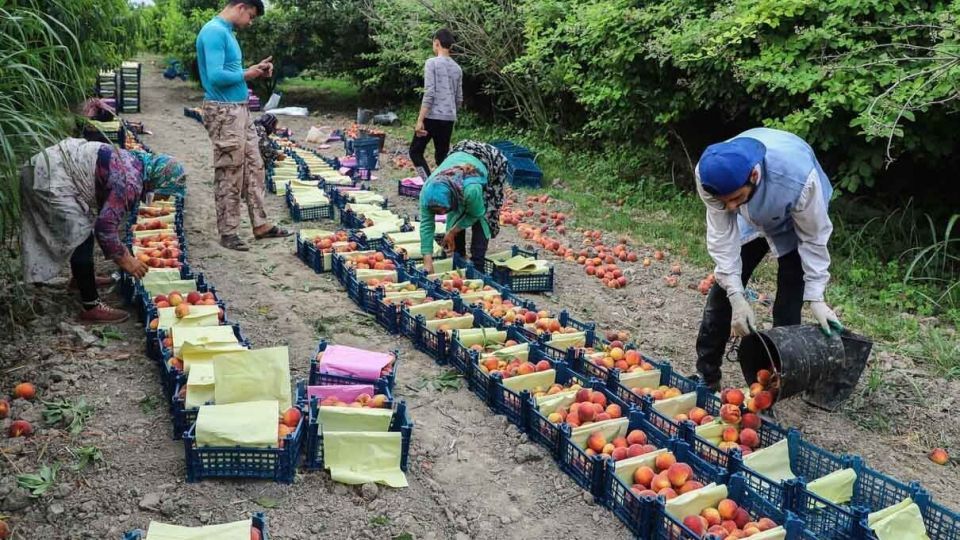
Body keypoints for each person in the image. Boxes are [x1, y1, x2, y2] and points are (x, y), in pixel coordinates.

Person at [693, 127, 843, 390]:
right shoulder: (709, 179)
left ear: (753, 175)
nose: (729, 207)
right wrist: (736, 295)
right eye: (723, 201)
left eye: (735, 198)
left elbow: (813, 238)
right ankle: (707, 375)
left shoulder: (799, 181)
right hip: (751, 216)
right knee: (722, 293)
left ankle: (772, 382)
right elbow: (722, 238)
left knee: (789, 297)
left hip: (791, 216)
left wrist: (816, 297)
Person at [20, 139, 186, 323]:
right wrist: (126, 259)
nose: (164, 197)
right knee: (81, 233)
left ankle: (80, 280)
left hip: (52, 166)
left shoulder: (138, 163)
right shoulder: (129, 182)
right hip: (51, 176)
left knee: (83, 229)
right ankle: (91, 306)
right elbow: (104, 227)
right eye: (166, 191)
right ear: (160, 178)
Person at [195, 0, 290, 252]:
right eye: (251, 15)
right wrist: (248, 75)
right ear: (240, 6)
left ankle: (260, 224)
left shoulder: (227, 33)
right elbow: (215, 76)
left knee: (254, 164)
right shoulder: (214, 32)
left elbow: (231, 72)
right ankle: (228, 231)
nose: (250, 22)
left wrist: (253, 70)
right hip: (224, 111)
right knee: (230, 169)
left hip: (240, 109)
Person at [419, 141, 508, 273]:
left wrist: (452, 231)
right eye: (437, 211)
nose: (442, 213)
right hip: (458, 154)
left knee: (484, 214)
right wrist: (427, 261)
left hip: (490, 160)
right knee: (456, 212)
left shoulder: (471, 189)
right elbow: (426, 224)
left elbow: (476, 213)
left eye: (443, 209)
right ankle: (459, 258)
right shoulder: (427, 193)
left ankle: (478, 264)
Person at [409, 28, 463, 181]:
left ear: (437, 43)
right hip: (448, 118)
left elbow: (429, 93)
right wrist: (451, 113)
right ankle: (446, 188)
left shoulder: (431, 63)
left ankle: (428, 183)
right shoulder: (457, 69)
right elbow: (459, 98)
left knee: (415, 152)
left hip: (431, 116)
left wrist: (420, 120)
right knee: (442, 157)